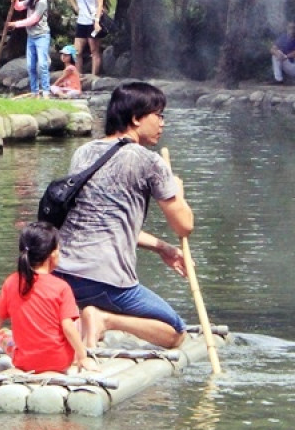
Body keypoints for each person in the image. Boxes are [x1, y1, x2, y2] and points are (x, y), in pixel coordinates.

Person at [54, 81, 193, 350]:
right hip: (105, 281)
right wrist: (178, 191)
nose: (162, 123)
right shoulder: (149, 161)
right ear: (135, 118)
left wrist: (161, 247)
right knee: (175, 332)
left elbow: (103, 222)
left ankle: (86, 315)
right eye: (158, 115)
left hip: (61, 275)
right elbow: (185, 226)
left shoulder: (83, 153)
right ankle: (104, 319)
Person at [0, 222, 93, 373]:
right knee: (73, 314)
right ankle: (77, 356)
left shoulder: (12, 282)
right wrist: (83, 357)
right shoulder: (61, 287)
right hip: (60, 361)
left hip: (24, 363)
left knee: (2, 334)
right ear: (53, 254)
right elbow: (68, 327)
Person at [9, 0, 51, 98]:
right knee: (30, 65)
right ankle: (34, 91)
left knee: (43, 64)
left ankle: (46, 92)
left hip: (42, 36)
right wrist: (14, 0)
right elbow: (18, 7)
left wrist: (16, 24)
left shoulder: (42, 1)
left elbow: (33, 19)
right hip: (31, 37)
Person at [69, 0, 104, 77]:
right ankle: (79, 77)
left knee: (94, 51)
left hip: (92, 22)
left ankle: (94, 77)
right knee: (77, 51)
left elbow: (99, 5)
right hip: (81, 22)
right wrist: (76, 9)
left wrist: (97, 21)